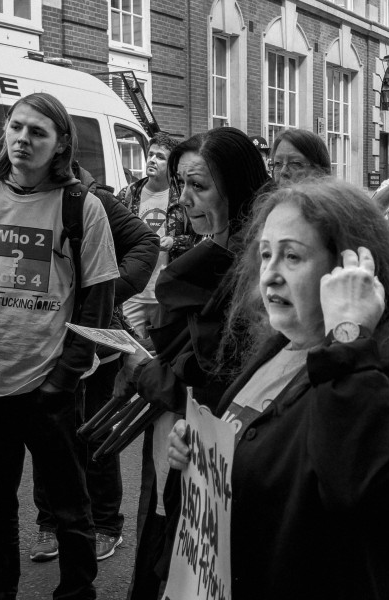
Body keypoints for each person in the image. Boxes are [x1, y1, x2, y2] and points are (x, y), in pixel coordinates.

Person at [164, 179, 389, 599]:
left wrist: (350, 336)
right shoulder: (280, 347)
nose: (270, 274)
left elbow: (359, 488)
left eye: (292, 256)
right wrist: (199, 451)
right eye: (266, 254)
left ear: (348, 269)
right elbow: (263, 455)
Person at [0, 92, 119, 600]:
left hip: (50, 388)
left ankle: (77, 592)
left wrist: (63, 380)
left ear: (61, 143)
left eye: (37, 132)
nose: (22, 139)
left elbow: (96, 304)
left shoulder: (82, 206)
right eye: (16, 128)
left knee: (69, 506)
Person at [124, 127, 271, 600]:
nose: (184, 198)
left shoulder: (256, 273)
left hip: (235, 466)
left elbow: (222, 379)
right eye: (180, 184)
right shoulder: (205, 253)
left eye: (199, 186)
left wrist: (150, 372)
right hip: (189, 453)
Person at [29, 162, 160, 564]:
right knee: (48, 436)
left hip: (97, 345)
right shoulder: (17, 202)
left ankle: (105, 525)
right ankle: (49, 524)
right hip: (42, 345)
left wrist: (104, 292)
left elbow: (146, 243)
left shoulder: (95, 199)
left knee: (95, 436)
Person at [116, 132, 188, 339]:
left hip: (166, 295)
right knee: (131, 355)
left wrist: (174, 242)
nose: (152, 160)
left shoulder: (182, 198)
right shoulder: (128, 195)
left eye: (160, 157)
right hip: (132, 293)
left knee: (163, 356)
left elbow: (200, 240)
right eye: (150, 154)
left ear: (172, 165)